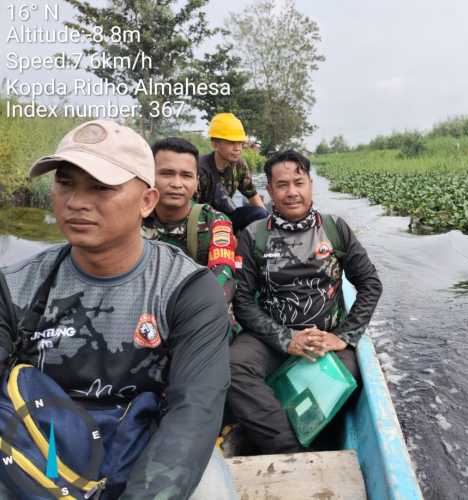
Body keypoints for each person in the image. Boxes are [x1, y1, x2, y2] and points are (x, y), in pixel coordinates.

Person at [0, 120, 237, 499]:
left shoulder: (188, 290)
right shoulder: (14, 287)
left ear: (147, 201)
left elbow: (193, 410)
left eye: (101, 187)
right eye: (65, 183)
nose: (76, 202)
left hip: (150, 445)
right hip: (41, 442)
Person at [230, 150, 383, 454]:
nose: (292, 192)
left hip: (324, 338)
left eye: (299, 182)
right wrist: (286, 340)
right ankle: (291, 448)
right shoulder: (253, 235)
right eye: (282, 185)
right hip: (271, 337)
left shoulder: (335, 229)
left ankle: (276, 432)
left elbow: (370, 284)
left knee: (347, 377)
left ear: (311, 184)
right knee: (232, 366)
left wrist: (343, 336)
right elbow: (243, 302)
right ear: (270, 191)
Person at [142, 137, 240, 331]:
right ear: (149, 177)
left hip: (201, 315)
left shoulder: (216, 222)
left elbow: (223, 275)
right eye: (167, 174)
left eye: (186, 175)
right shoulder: (131, 219)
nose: (177, 183)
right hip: (144, 312)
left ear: (196, 182)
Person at [197, 113, 268, 232]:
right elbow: (189, 209)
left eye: (240, 143)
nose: (238, 148)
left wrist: (268, 221)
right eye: (231, 143)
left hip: (227, 218)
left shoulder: (239, 165)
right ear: (215, 144)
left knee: (260, 213)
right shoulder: (201, 169)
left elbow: (252, 195)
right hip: (202, 223)